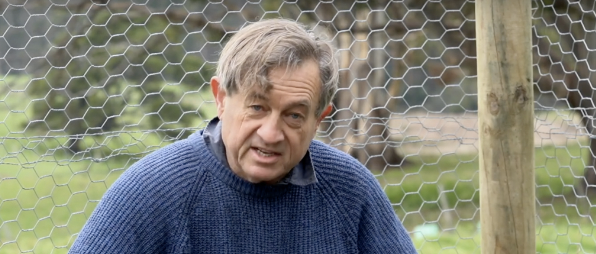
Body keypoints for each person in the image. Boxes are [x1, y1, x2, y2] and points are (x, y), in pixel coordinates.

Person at [68, 18, 417, 253]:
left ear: (319, 120)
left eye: (294, 115)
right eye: (257, 108)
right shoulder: (154, 190)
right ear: (221, 98)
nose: (271, 133)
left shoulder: (349, 190)